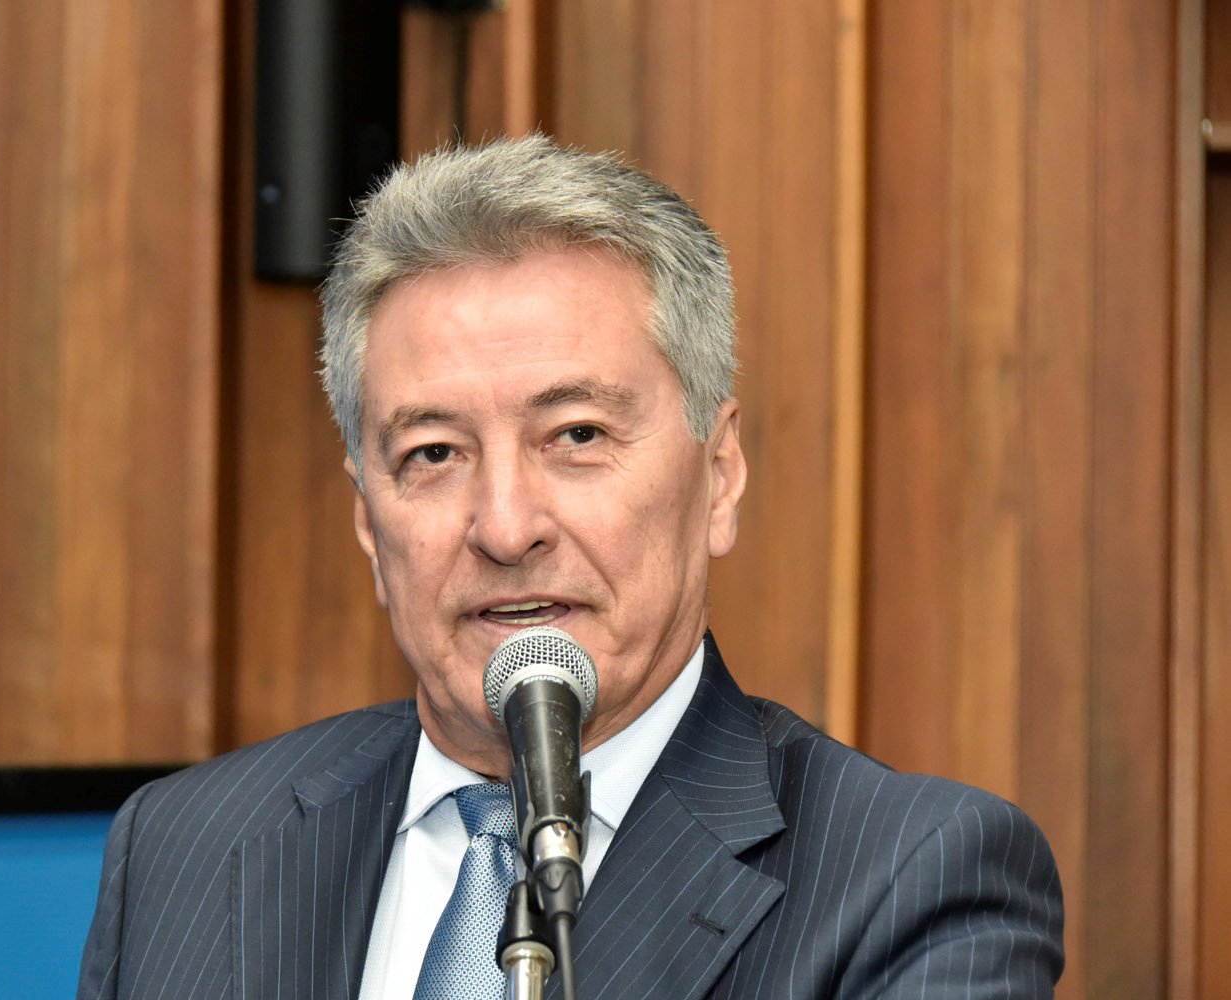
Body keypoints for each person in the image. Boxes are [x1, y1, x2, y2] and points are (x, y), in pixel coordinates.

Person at [77, 135, 1064, 999]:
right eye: (433, 452)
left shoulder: (911, 881)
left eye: (578, 435)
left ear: (719, 476)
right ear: (370, 524)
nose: (506, 528)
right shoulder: (184, 849)